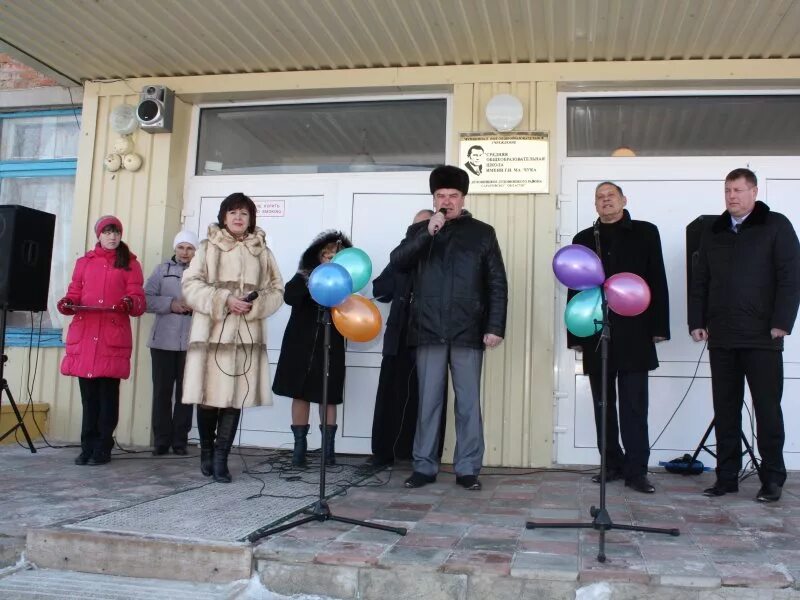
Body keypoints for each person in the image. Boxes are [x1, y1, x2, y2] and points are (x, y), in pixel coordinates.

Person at [390, 165, 507, 491]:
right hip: (428, 330)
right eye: (441, 196)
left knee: (468, 403)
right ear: (434, 198)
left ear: (463, 197)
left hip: (468, 331)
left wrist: (494, 325)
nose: (447, 201)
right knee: (428, 403)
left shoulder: (482, 232)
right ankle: (423, 467)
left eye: (452, 196)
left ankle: (468, 468)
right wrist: (428, 231)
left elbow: (497, 282)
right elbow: (398, 261)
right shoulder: (420, 231)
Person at [689, 168, 800, 503]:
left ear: (754, 191)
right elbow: (701, 280)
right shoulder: (714, 230)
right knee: (725, 409)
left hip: (762, 336)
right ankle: (726, 477)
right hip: (721, 335)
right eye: (727, 190)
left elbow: (790, 276)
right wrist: (697, 320)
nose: (731, 196)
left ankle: (772, 479)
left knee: (767, 409)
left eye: (738, 190)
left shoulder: (775, 225)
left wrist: (782, 321)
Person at [568, 182, 669, 494]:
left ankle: (637, 470)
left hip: (635, 333)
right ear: (595, 205)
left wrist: (658, 328)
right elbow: (576, 287)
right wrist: (575, 333)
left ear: (624, 199)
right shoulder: (584, 239)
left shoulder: (646, 232)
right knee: (603, 404)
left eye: (611, 195)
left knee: (635, 406)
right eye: (600, 197)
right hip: (597, 332)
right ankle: (611, 463)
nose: (605, 200)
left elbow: (657, 279)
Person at [182, 193, 284, 483]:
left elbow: (278, 289)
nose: (238, 218)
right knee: (208, 399)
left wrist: (255, 305)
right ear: (223, 216)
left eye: (244, 213)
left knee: (233, 399)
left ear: (251, 218)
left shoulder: (262, 251)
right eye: (233, 212)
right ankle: (206, 451)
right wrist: (224, 299)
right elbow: (189, 284)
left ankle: (221, 459)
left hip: (246, 336)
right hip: (211, 335)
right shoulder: (207, 247)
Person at [57, 215, 146, 466]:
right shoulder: (83, 263)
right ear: (98, 235)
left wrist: (129, 302)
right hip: (86, 337)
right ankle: (87, 446)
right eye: (107, 232)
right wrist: (67, 304)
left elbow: (138, 299)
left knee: (108, 396)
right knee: (89, 398)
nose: (112, 236)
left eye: (116, 232)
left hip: (111, 338)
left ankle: (103, 447)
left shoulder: (129, 263)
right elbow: (74, 292)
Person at [369, 209, 447, 467]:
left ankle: (421, 454)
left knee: (427, 397)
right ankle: (383, 453)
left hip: (430, 335)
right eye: (416, 226)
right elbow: (380, 289)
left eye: (425, 225)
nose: (420, 231)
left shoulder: (441, 254)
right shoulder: (400, 255)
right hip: (399, 334)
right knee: (390, 395)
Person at [272, 231, 352, 468]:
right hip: (300, 344)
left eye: (334, 256)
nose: (329, 259)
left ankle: (328, 451)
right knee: (300, 393)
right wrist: (310, 282)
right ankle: (299, 449)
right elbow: (289, 297)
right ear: (317, 256)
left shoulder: (346, 282)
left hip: (330, 344)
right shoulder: (304, 276)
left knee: (328, 396)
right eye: (325, 255)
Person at [144, 230, 199, 456]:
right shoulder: (161, 270)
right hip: (162, 341)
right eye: (181, 247)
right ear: (175, 249)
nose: (185, 252)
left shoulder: (202, 273)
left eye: (189, 248)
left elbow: (211, 300)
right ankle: (161, 440)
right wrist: (171, 304)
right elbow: (146, 299)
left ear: (195, 251)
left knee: (186, 393)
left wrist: (198, 305)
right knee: (162, 392)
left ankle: (180, 440)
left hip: (191, 341)